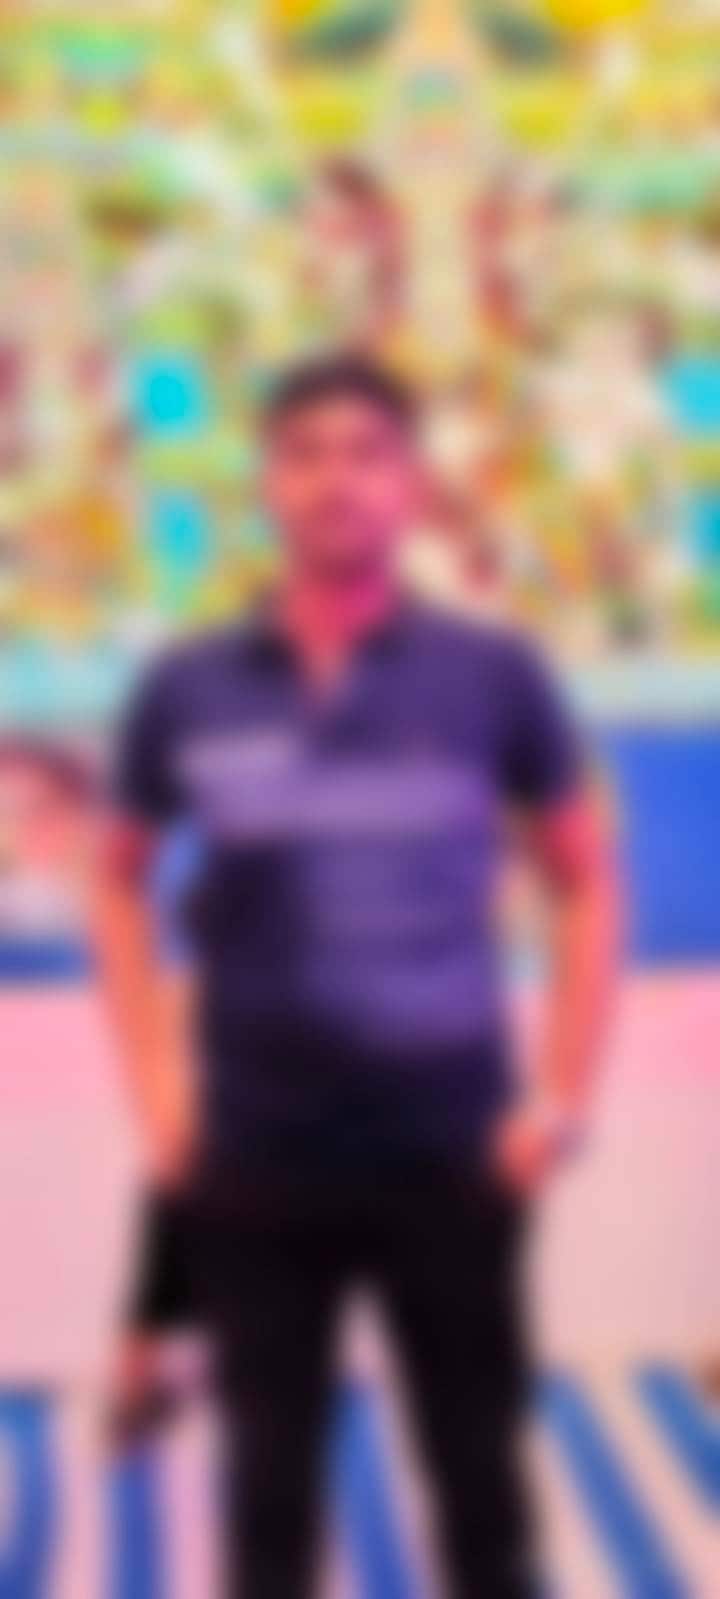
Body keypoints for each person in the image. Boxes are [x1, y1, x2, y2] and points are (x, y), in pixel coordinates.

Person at [94, 355, 619, 1599]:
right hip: (256, 1162)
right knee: (266, 1508)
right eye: (307, 454)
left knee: (483, 1499)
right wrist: (158, 1094)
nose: (337, 481)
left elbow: (586, 879)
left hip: (453, 1157)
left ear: (411, 485)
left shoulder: (494, 675)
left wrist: (560, 1099)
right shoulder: (185, 688)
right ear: (267, 483)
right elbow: (115, 880)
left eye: (368, 454)